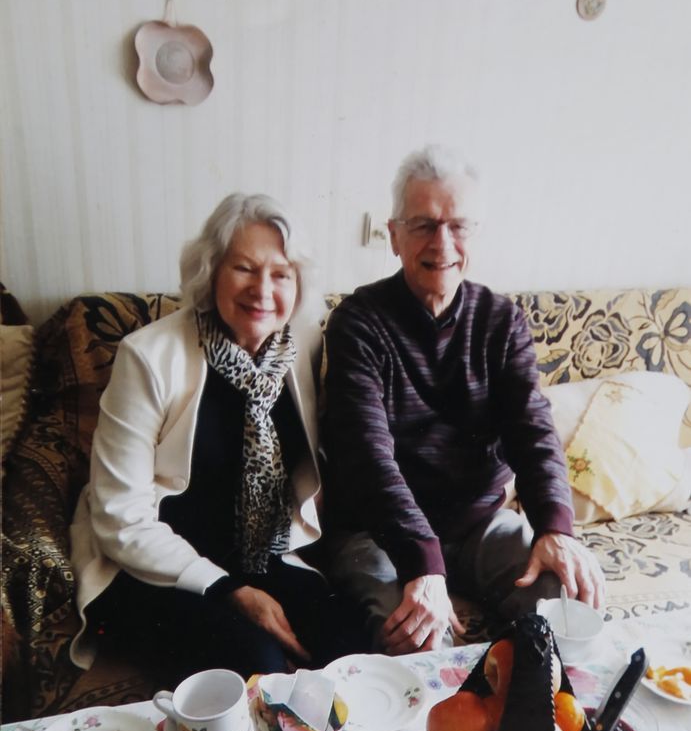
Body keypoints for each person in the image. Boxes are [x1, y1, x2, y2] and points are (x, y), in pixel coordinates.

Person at [70, 192, 366, 683]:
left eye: (281, 274)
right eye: (244, 268)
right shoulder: (148, 357)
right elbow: (120, 516)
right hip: (156, 567)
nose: (262, 290)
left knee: (351, 648)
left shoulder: (304, 345)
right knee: (257, 670)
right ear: (210, 273)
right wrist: (230, 591)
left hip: (262, 555)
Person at [323, 145, 604, 657]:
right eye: (424, 225)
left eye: (458, 226)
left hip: (479, 524)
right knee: (417, 638)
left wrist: (554, 528)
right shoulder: (358, 323)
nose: (443, 243)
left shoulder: (502, 321)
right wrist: (423, 562)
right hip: (377, 534)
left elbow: (532, 429)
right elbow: (366, 455)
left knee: (568, 608)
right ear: (394, 236)